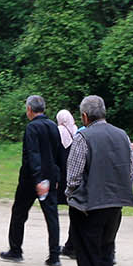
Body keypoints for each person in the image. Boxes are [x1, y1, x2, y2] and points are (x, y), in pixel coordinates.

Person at [66, 95, 133, 266]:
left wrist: (71, 195)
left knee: (88, 256)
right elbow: (131, 170)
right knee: (106, 251)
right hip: (115, 203)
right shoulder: (122, 135)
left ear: (84, 116)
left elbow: (74, 175)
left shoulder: (83, 137)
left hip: (89, 205)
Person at [0, 95, 65, 266]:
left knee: (19, 213)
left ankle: (15, 250)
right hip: (50, 177)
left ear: (29, 109)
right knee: (52, 216)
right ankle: (55, 256)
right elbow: (59, 155)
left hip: (31, 179)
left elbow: (33, 155)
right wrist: (57, 177)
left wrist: (37, 179)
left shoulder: (32, 128)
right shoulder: (53, 126)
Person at [56, 109, 79, 257]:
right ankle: (72, 245)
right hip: (75, 167)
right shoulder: (77, 130)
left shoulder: (58, 131)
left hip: (62, 165)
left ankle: (70, 247)